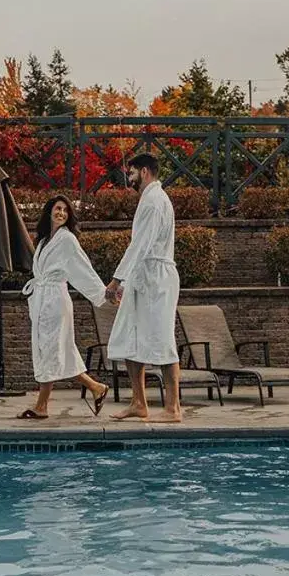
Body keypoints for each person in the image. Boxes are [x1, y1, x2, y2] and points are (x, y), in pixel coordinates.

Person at [16, 194, 113, 419]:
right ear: (49, 211)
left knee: (50, 351)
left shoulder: (67, 239)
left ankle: (41, 406)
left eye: (65, 211)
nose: (61, 213)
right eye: (57, 208)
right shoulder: (43, 241)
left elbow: (82, 267)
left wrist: (103, 293)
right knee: (59, 353)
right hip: (43, 300)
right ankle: (96, 388)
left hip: (55, 302)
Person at [105, 153, 182, 422]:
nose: (129, 178)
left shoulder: (155, 202)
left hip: (157, 279)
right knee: (127, 338)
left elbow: (141, 246)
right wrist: (128, 281)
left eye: (132, 173)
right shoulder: (148, 200)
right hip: (143, 276)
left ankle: (173, 409)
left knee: (162, 341)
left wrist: (117, 279)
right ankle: (139, 402)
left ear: (146, 172)